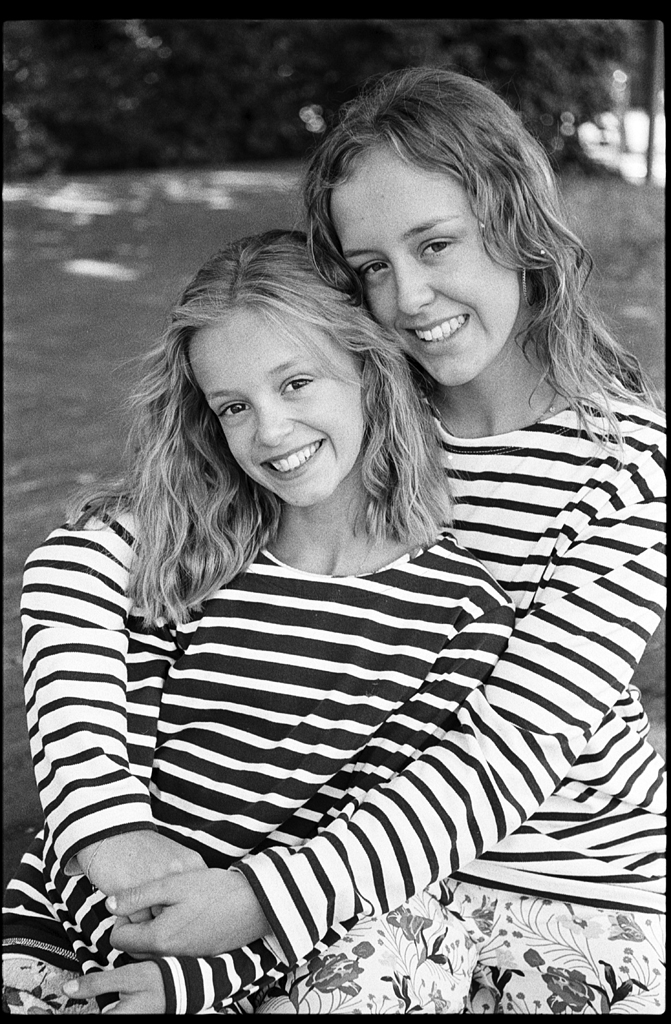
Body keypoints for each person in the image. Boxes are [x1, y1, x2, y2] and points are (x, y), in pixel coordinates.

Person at [63, 67, 666, 1014]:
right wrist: (100, 819)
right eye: (371, 265)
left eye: (435, 244)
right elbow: (92, 553)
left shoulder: (624, 467)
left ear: (516, 227)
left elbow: (509, 749)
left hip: (567, 880)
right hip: (358, 879)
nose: (410, 296)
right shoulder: (353, 407)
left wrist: (260, 898)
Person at [3, 228, 521, 1014]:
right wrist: (113, 867)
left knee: (402, 940)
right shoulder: (188, 560)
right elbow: (110, 840)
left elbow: (371, 854)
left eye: (296, 384)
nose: (270, 433)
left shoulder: (459, 610)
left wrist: (198, 983)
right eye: (234, 406)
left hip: (283, 944)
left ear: (368, 369)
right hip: (97, 928)